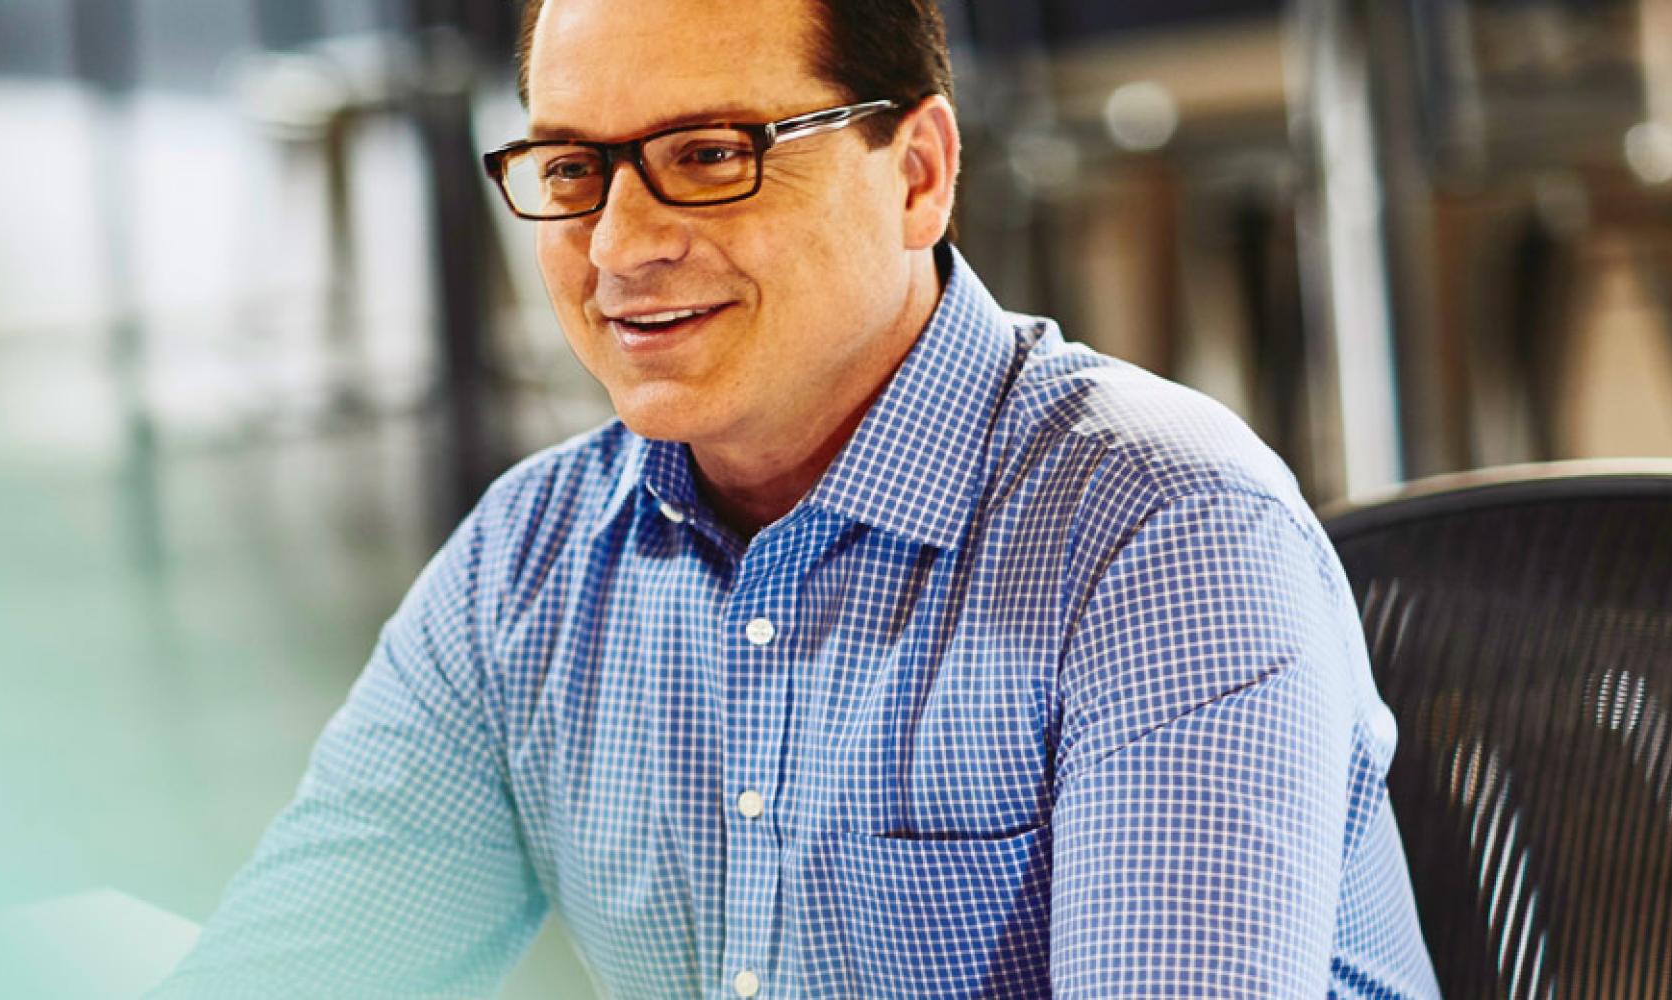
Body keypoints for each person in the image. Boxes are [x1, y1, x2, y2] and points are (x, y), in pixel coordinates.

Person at [152, 0, 1443, 996]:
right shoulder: (529, 568)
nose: (617, 247)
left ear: (919, 175)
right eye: (570, 169)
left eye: (710, 153)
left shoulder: (1161, 542)